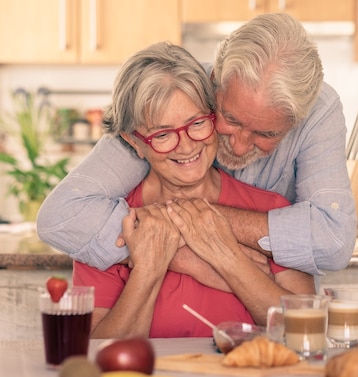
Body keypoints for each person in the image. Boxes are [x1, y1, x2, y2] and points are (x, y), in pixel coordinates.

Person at [37, 13, 357, 276]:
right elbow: (62, 215)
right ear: (214, 81)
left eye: (266, 134)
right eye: (230, 118)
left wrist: (186, 222)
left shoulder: (320, 110)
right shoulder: (173, 97)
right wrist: (186, 256)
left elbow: (332, 240)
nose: (242, 146)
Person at [75, 41, 315, 338]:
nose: (187, 145)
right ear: (135, 141)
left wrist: (228, 258)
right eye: (162, 134)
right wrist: (149, 268)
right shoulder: (104, 226)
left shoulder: (271, 213)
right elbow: (98, 353)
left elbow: (304, 332)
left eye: (198, 123)